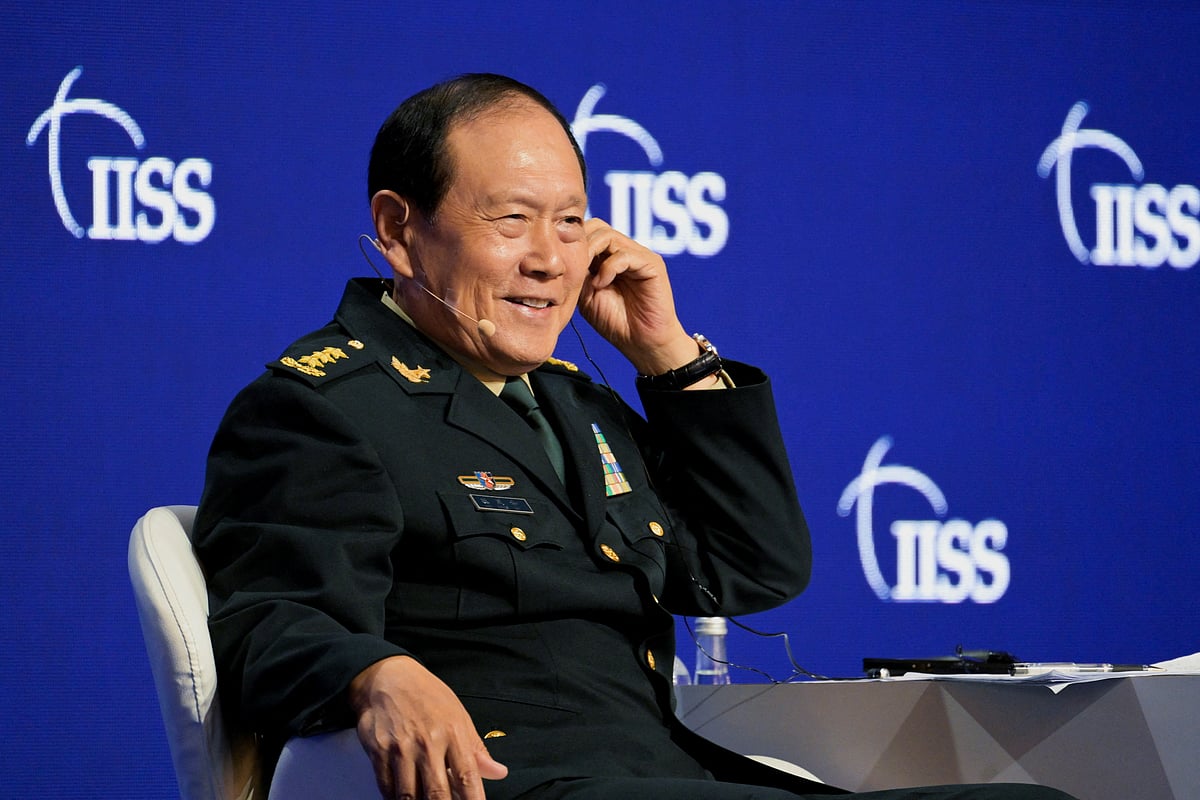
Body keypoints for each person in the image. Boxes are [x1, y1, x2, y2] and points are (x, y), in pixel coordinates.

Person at [193, 74, 1076, 800]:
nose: (550, 258)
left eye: (571, 221)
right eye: (511, 221)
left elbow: (748, 568)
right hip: (520, 781)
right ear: (398, 229)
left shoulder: (572, 401)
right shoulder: (323, 404)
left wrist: (669, 358)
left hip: (661, 773)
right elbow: (267, 617)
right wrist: (375, 671)